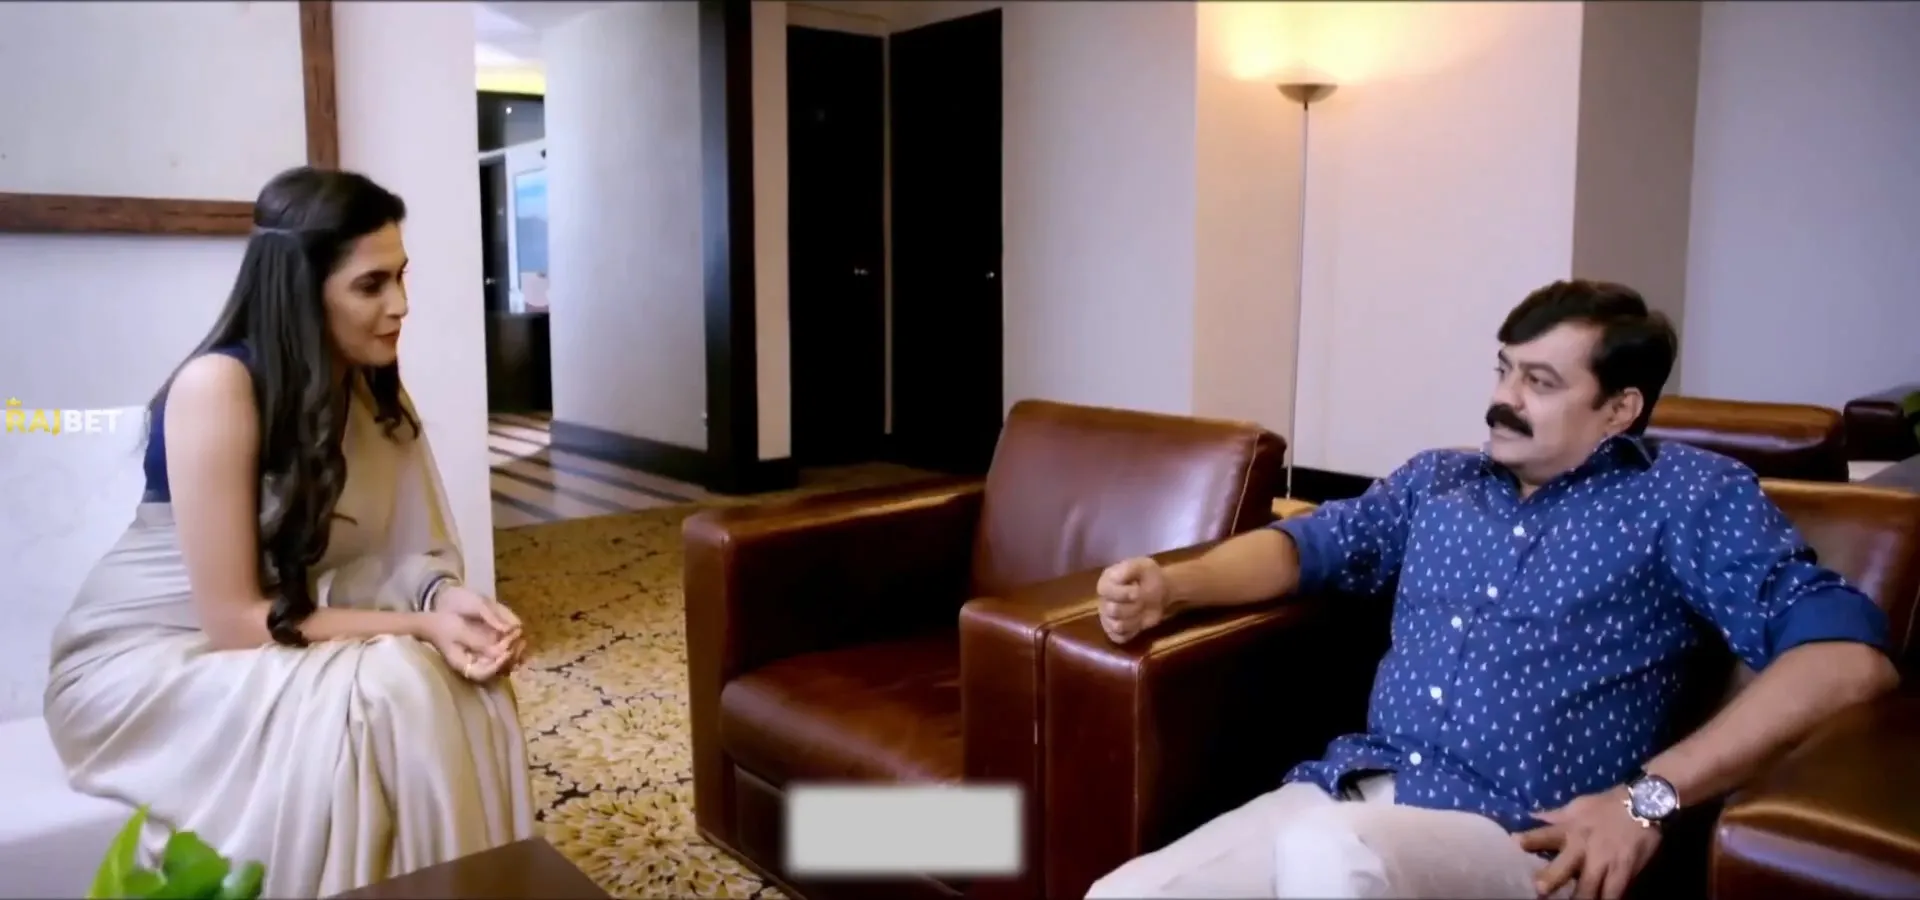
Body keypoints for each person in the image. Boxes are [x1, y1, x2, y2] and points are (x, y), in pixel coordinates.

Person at [1086, 280, 1899, 900]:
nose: (1504, 399)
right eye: (1504, 369)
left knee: (1334, 858)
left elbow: (1846, 660)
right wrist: (1173, 585)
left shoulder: (1688, 496)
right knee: (1123, 894)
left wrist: (1645, 800)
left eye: (1539, 382)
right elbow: (1310, 547)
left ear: (1619, 408)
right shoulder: (1439, 480)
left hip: (1521, 834)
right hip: (1349, 786)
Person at [43, 166, 538, 897]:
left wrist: (441, 599)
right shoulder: (218, 387)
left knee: (473, 684)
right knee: (395, 686)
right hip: (148, 660)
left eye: (401, 277)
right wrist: (418, 626)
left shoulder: (371, 390)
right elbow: (235, 620)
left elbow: (380, 556)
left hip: (275, 621)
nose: (401, 305)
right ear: (302, 288)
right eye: (371, 285)